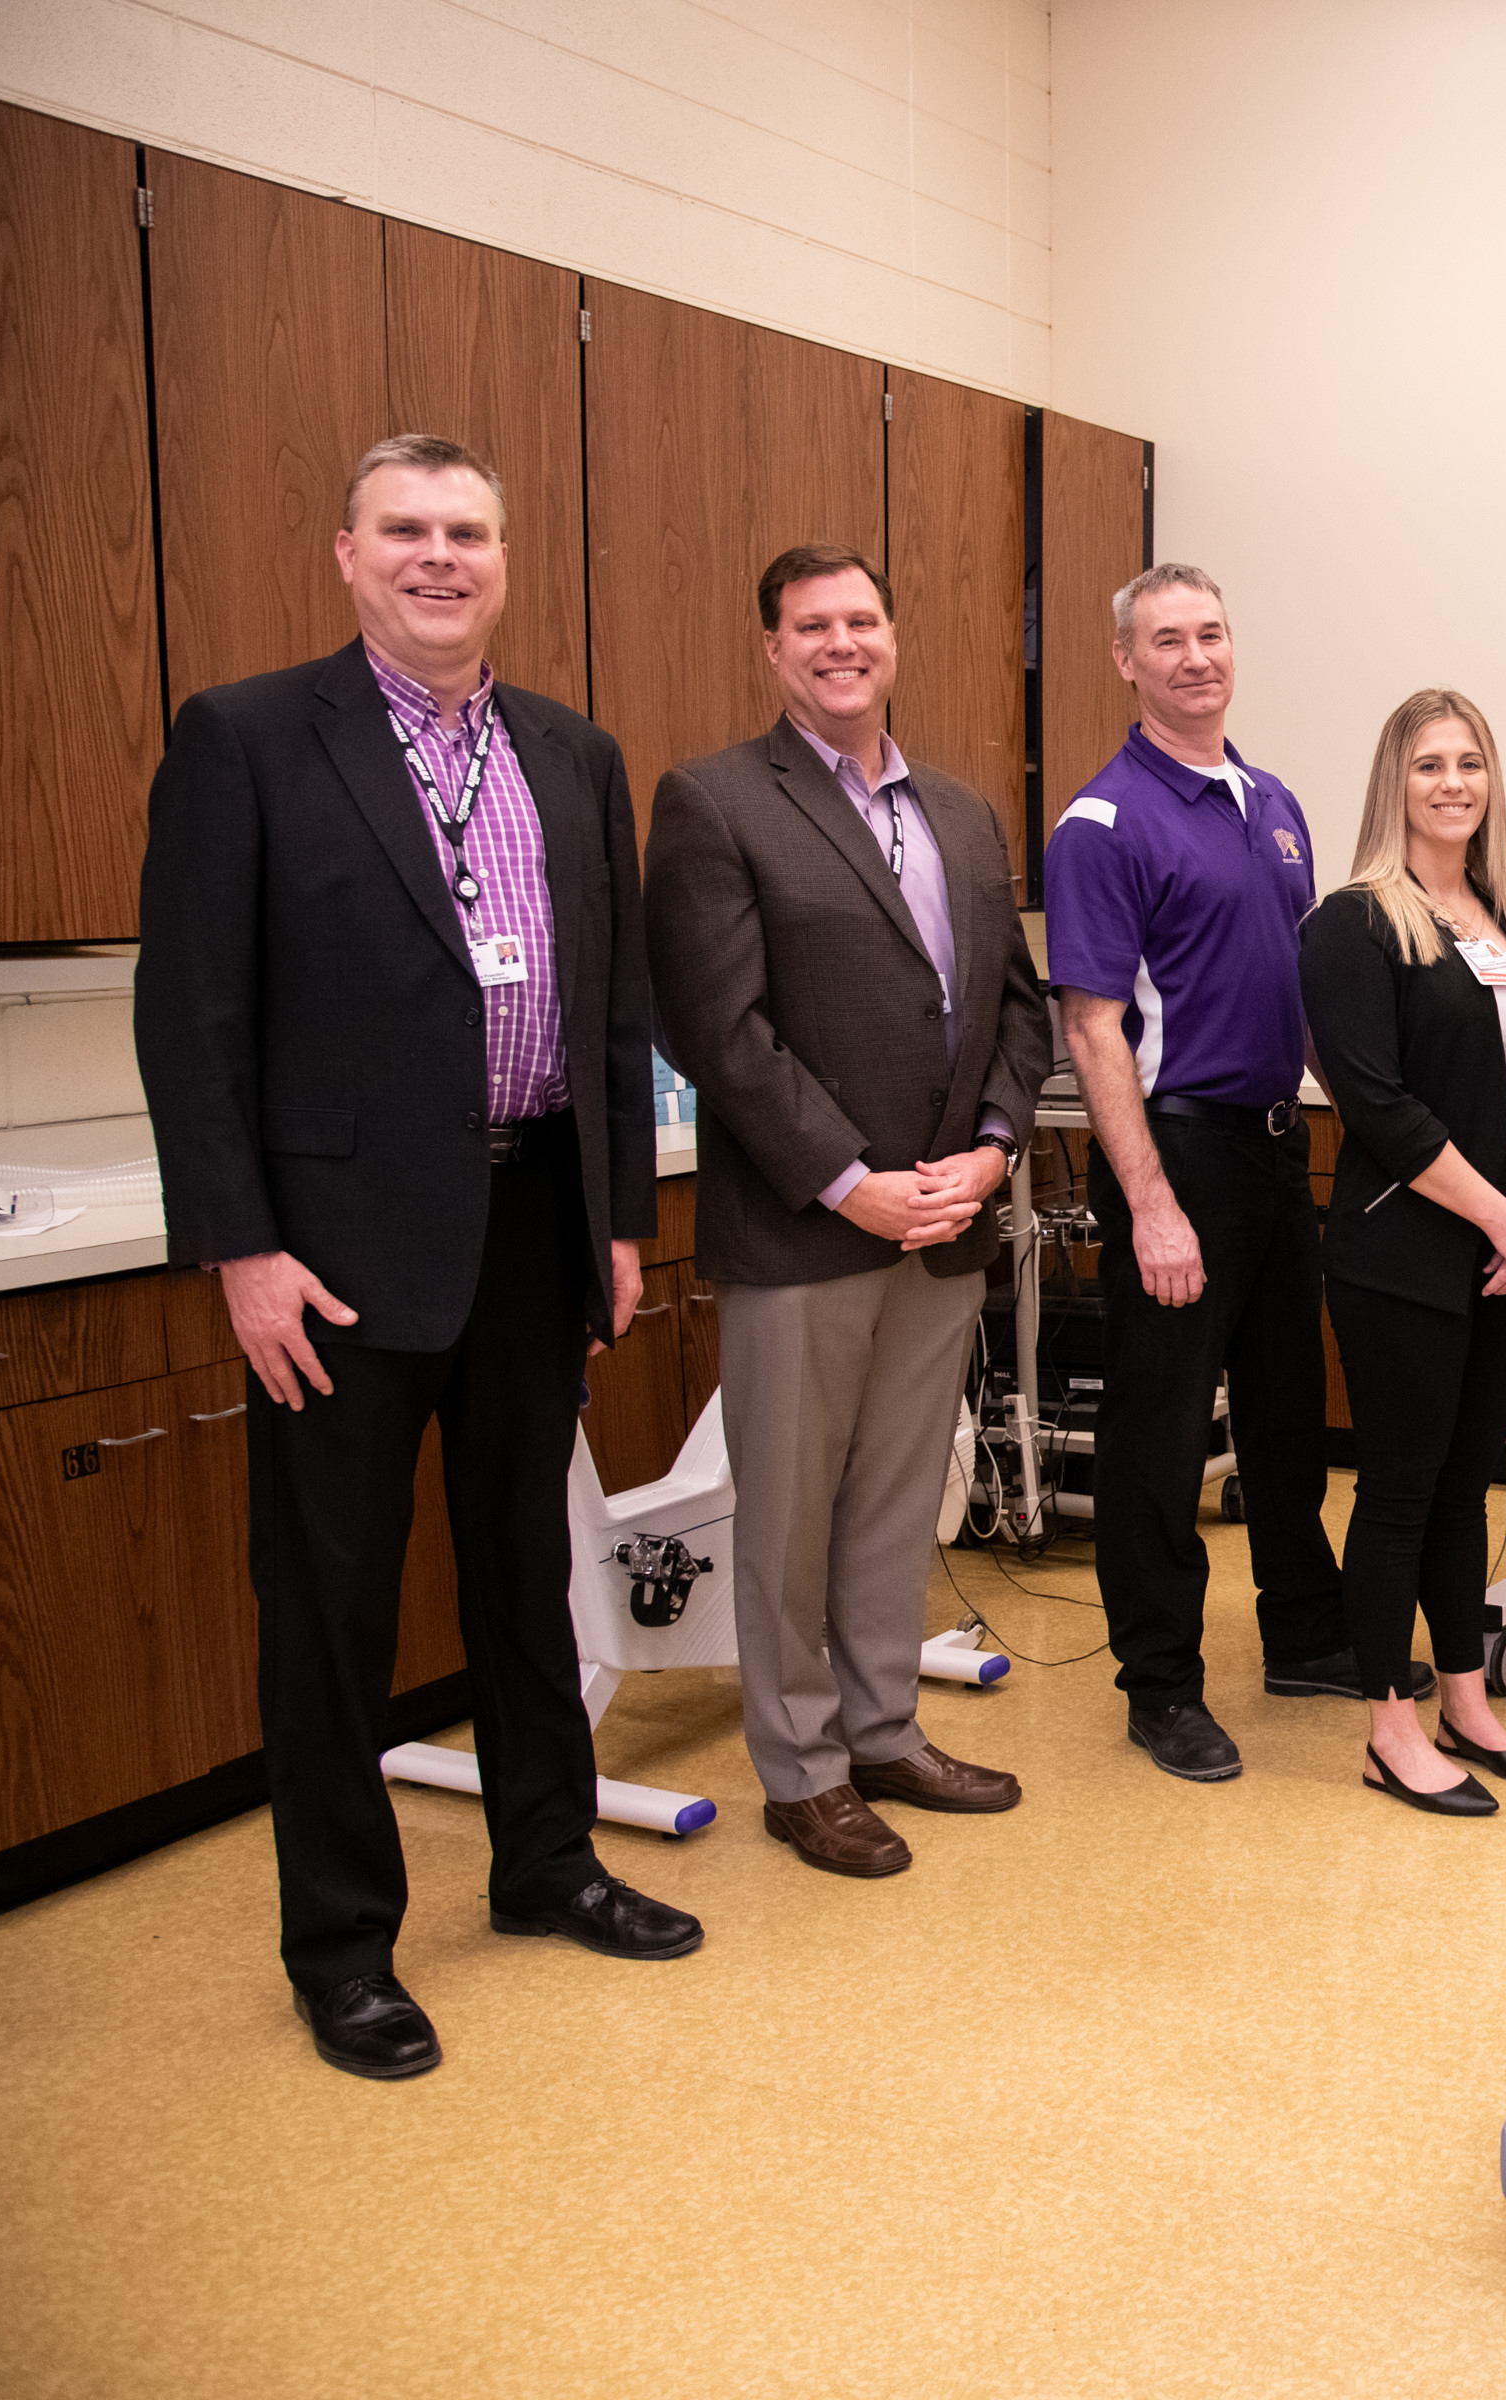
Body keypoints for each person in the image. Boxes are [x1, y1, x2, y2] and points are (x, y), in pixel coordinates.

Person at [136, 434, 695, 2081]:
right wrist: (241, 1249)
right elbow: (191, 1016)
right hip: (337, 1254)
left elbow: (610, 1008)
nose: (438, 556)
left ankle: (547, 1864)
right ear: (348, 553)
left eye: (466, 531)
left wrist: (615, 1218)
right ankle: (342, 1949)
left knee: (527, 1571)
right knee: (332, 1607)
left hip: (532, 1227)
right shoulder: (248, 737)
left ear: (504, 560)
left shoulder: (572, 753)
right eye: (406, 530)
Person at [643, 543, 1054, 1877]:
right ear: (772, 649)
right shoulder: (715, 802)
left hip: (944, 1217)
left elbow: (1016, 1009)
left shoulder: (961, 814)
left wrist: (990, 1151)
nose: (841, 643)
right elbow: (719, 1028)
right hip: (809, 1225)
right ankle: (802, 1770)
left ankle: (883, 1733)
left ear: (892, 636)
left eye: (862, 619)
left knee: (895, 1498)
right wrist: (849, 1181)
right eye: (811, 625)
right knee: (788, 1513)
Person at [1040, 564, 1398, 1784]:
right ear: (1126, 662)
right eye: (1167, 641)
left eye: (1211, 635)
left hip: (1274, 1147)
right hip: (1177, 1152)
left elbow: (1304, 1000)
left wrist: (1379, 1131)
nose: (1195, 658)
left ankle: (1305, 1635)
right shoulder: (1101, 825)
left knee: (1290, 1414)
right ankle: (1161, 1687)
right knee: (1159, 1436)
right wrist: (1149, 1207)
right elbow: (1093, 1028)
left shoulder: (1273, 803)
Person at [1299, 691, 1506, 1815]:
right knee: (1400, 1492)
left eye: (1470, 762)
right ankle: (1390, 1729)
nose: (1453, 783)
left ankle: (1466, 1699)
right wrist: (1504, 1221)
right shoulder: (1353, 924)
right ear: (1396, 782)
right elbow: (1379, 1108)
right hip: (1405, 1251)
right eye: (1430, 764)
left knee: (1468, 1487)